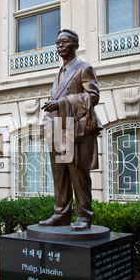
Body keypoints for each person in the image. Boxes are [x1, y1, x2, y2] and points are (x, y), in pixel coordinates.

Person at [39, 29, 102, 230]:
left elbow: (93, 96)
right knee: (60, 175)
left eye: (64, 42)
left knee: (78, 175)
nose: (60, 46)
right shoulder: (59, 72)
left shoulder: (84, 68)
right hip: (57, 129)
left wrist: (62, 103)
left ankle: (84, 216)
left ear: (75, 45)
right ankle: (61, 213)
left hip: (75, 130)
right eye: (57, 42)